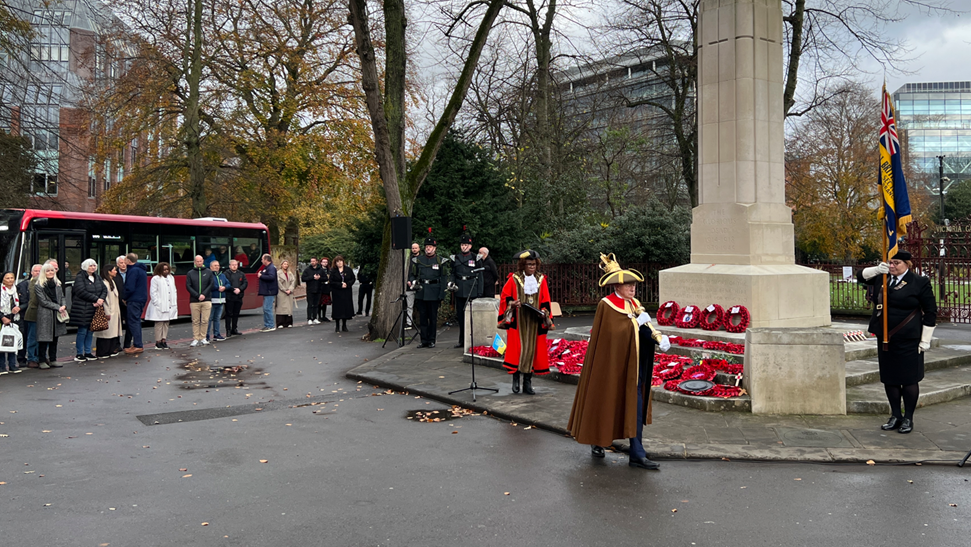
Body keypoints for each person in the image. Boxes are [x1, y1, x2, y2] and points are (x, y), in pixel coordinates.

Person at [567, 253, 671, 471]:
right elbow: (610, 336)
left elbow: (643, 330)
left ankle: (637, 452)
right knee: (607, 401)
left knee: (635, 406)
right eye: (628, 284)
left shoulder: (635, 304)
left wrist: (656, 336)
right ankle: (598, 440)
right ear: (617, 285)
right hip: (613, 367)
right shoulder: (607, 305)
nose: (632, 288)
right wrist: (632, 325)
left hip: (634, 367)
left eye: (633, 284)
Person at [858, 251, 937, 434]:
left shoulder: (919, 282)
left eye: (896, 263)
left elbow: (931, 311)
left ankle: (908, 418)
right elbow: (860, 276)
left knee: (909, 379)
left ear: (907, 264)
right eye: (890, 262)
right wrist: (878, 269)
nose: (892, 266)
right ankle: (895, 415)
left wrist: (925, 340)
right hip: (886, 338)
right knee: (890, 378)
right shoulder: (882, 278)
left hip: (909, 339)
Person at [497, 250, 553, 394]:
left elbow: (546, 300)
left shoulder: (541, 280)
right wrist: (512, 304)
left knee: (531, 351)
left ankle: (527, 383)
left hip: (534, 322)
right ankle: (516, 378)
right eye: (529, 264)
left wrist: (544, 313)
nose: (532, 267)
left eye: (534, 264)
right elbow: (505, 297)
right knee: (518, 350)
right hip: (519, 320)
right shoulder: (514, 279)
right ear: (523, 265)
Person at [409, 235, 446, 347]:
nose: (428, 248)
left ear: (435, 248)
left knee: (433, 318)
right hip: (422, 291)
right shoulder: (419, 260)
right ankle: (423, 340)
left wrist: (442, 294)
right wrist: (412, 282)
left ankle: (432, 340)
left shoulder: (440, 260)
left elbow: (444, 278)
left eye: (431, 247)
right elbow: (412, 274)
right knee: (423, 318)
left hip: (434, 291)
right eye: (427, 246)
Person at [70, 259, 108, 362]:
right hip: (82, 308)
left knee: (91, 331)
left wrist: (100, 300)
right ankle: (79, 353)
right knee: (82, 331)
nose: (93, 267)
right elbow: (80, 291)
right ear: (85, 267)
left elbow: (104, 289)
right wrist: (95, 299)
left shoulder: (97, 277)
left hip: (94, 308)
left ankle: (88, 352)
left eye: (94, 265)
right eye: (91, 266)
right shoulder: (80, 277)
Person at [450, 233, 483, 348]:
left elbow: (480, 275)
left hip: (472, 288)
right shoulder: (456, 258)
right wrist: (451, 282)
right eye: (462, 245)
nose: (464, 247)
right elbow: (453, 273)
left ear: (470, 246)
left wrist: (479, 291)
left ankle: (473, 340)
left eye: (466, 245)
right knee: (461, 316)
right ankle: (462, 340)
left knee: (472, 317)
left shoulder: (475, 258)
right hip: (460, 289)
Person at [34, 263, 66, 369]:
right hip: (45, 314)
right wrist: (58, 307)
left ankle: (53, 359)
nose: (50, 273)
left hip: (56, 314)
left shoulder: (57, 284)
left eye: (52, 270)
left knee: (54, 338)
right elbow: (43, 301)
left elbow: (62, 296)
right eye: (48, 271)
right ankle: (42, 360)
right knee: (43, 338)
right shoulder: (39, 285)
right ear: (44, 272)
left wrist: (63, 305)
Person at [146, 262, 179, 349]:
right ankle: (158, 341)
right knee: (159, 323)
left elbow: (174, 290)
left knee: (166, 323)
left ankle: (164, 340)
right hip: (159, 305)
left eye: (167, 269)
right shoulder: (155, 278)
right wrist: (157, 303)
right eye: (164, 269)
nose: (166, 271)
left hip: (169, 304)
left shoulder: (171, 278)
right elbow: (153, 293)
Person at [186, 255, 215, 346]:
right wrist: (197, 295)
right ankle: (195, 338)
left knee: (205, 320)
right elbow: (188, 286)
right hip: (194, 300)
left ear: (203, 261)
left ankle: (203, 337)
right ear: (195, 262)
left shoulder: (208, 272)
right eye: (197, 261)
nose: (199, 263)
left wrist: (204, 294)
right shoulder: (190, 273)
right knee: (195, 320)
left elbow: (211, 284)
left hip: (206, 300)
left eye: (200, 261)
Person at [94, 264, 122, 358]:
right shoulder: (104, 283)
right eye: (114, 270)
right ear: (109, 272)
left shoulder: (112, 282)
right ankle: (102, 352)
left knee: (112, 332)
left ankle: (110, 350)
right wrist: (107, 312)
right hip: (109, 311)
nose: (116, 272)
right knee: (105, 333)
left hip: (115, 311)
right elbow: (105, 300)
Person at [123, 254, 148, 354]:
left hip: (134, 299)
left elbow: (130, 287)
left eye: (125, 259)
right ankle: (137, 344)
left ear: (129, 261)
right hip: (141, 298)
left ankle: (138, 345)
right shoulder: (141, 269)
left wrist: (124, 297)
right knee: (136, 320)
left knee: (133, 322)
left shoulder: (133, 271)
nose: (124, 261)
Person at [17, 264, 40, 367]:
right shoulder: (23, 284)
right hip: (25, 314)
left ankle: (38, 356)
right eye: (36, 271)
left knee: (37, 337)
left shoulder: (45, 283)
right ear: (31, 272)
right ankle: (24, 358)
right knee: (26, 336)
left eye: (40, 271)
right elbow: (26, 300)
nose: (38, 273)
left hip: (39, 314)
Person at [1, 271, 23, 374]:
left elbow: (23, 302)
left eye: (12, 278)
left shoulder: (16, 290)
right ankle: (1, 367)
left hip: (13, 318)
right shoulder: (1, 290)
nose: (10, 280)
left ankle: (13, 365)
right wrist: (2, 318)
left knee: (12, 341)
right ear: (3, 280)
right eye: (7, 278)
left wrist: (18, 308)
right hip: (2, 319)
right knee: (1, 343)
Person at [329, 255, 355, 332]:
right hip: (337, 292)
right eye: (337, 261)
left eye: (340, 261)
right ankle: (337, 326)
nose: (339, 263)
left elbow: (353, 278)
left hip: (346, 291)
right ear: (335, 263)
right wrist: (340, 285)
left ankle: (344, 325)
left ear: (343, 262)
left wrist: (347, 284)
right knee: (337, 308)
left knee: (345, 308)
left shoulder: (348, 270)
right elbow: (331, 281)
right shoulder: (333, 271)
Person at [224, 259, 248, 336]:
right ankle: (228, 330)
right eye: (233, 265)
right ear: (229, 266)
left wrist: (240, 289)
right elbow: (226, 283)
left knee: (236, 313)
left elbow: (245, 282)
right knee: (229, 314)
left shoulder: (241, 274)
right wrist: (233, 289)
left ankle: (234, 328)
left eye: (236, 265)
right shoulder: (226, 274)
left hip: (239, 296)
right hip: (230, 296)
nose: (234, 266)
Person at [207, 261, 228, 340]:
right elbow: (209, 285)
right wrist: (217, 287)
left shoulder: (222, 275)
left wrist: (225, 287)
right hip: (212, 300)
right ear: (211, 267)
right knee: (209, 319)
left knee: (217, 318)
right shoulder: (209, 275)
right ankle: (207, 335)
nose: (217, 267)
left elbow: (228, 284)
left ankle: (217, 334)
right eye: (215, 265)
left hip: (221, 300)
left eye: (218, 265)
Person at [302, 257, 326, 324]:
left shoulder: (320, 270)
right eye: (311, 261)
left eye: (314, 261)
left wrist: (319, 278)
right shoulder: (307, 270)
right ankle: (309, 318)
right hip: (310, 289)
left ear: (317, 262)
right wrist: (312, 277)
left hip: (318, 289)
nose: (312, 262)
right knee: (310, 304)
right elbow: (303, 278)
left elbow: (325, 278)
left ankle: (315, 317)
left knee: (316, 304)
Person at [258, 254, 278, 332]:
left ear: (266, 260)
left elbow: (271, 277)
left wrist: (261, 276)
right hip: (266, 291)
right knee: (265, 309)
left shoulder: (271, 268)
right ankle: (267, 325)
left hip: (270, 291)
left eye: (262, 259)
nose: (261, 261)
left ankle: (270, 325)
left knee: (267, 308)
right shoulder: (267, 268)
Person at [276, 259, 296, 328]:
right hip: (281, 293)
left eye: (287, 264)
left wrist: (290, 289)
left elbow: (293, 282)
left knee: (288, 308)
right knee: (281, 308)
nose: (286, 265)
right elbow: (278, 283)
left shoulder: (290, 273)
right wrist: (285, 290)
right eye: (284, 264)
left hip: (289, 293)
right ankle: (280, 323)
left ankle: (288, 322)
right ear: (281, 265)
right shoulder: (278, 273)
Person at [116, 256, 131, 351]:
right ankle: (117, 345)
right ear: (117, 264)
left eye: (125, 263)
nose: (123, 265)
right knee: (117, 325)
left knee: (130, 325)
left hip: (129, 303)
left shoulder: (131, 273)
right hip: (117, 303)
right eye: (121, 263)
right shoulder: (114, 274)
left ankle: (127, 344)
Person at [405, 243, 420, 328]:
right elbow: (407, 271)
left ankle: (421, 322)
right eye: (413, 248)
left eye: (415, 248)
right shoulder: (409, 260)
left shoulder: (422, 259)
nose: (414, 249)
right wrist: (408, 280)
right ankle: (409, 323)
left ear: (419, 249)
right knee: (409, 305)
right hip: (410, 286)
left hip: (419, 285)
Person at [318, 257, 332, 322]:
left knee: (325, 303)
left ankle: (324, 316)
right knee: (319, 302)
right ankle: (319, 316)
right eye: (323, 262)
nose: (325, 263)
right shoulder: (319, 269)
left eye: (326, 262)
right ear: (321, 262)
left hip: (327, 287)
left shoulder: (329, 270)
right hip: (320, 287)